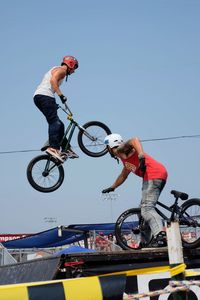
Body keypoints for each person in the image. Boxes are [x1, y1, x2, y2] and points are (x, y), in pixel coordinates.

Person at [102, 133, 168, 247]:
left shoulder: (121, 150)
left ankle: (160, 235)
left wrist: (141, 156)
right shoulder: (125, 160)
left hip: (153, 174)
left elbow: (134, 140)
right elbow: (123, 175)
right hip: (154, 175)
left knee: (147, 209)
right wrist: (112, 187)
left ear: (111, 146)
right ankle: (146, 241)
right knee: (142, 212)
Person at [33, 55, 79, 162]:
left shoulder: (56, 68)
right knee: (55, 123)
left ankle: (66, 148)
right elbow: (53, 81)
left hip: (39, 97)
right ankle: (53, 147)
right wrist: (61, 95)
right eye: (74, 68)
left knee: (59, 124)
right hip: (45, 96)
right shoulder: (62, 70)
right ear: (70, 64)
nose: (74, 71)